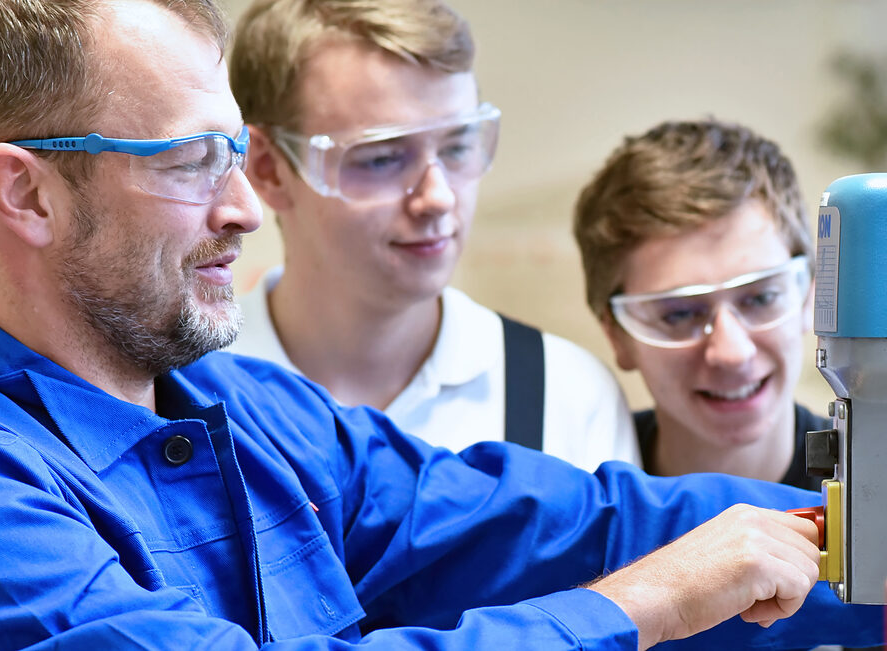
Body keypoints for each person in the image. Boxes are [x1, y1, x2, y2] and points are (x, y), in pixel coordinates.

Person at [0, 1, 884, 648]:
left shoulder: (258, 415)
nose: (244, 209)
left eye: (235, 156)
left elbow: (570, 525)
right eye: (187, 162)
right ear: (26, 195)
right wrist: (650, 600)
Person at [225, 0, 636, 470]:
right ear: (268, 169)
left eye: (457, 146)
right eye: (381, 158)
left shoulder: (565, 397)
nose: (438, 197)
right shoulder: (176, 391)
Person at [574, 119, 827, 489]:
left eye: (761, 297)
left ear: (808, 298)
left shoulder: (883, 490)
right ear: (616, 336)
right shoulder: (583, 504)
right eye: (678, 314)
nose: (732, 353)